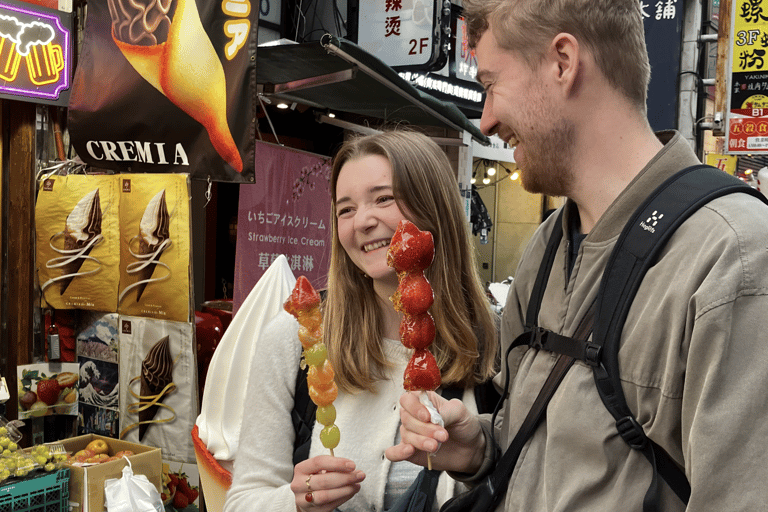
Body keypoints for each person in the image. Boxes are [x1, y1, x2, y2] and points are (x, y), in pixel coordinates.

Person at [386, 0, 768, 510]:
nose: (487, 119)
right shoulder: (544, 248)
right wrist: (480, 445)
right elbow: (549, 439)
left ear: (563, 62)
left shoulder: (734, 258)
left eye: (491, 85)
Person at [224, 130, 498, 512]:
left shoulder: (496, 346)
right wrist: (294, 502)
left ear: (434, 208)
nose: (362, 222)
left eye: (383, 198)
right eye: (345, 209)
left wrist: (477, 458)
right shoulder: (296, 338)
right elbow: (242, 502)